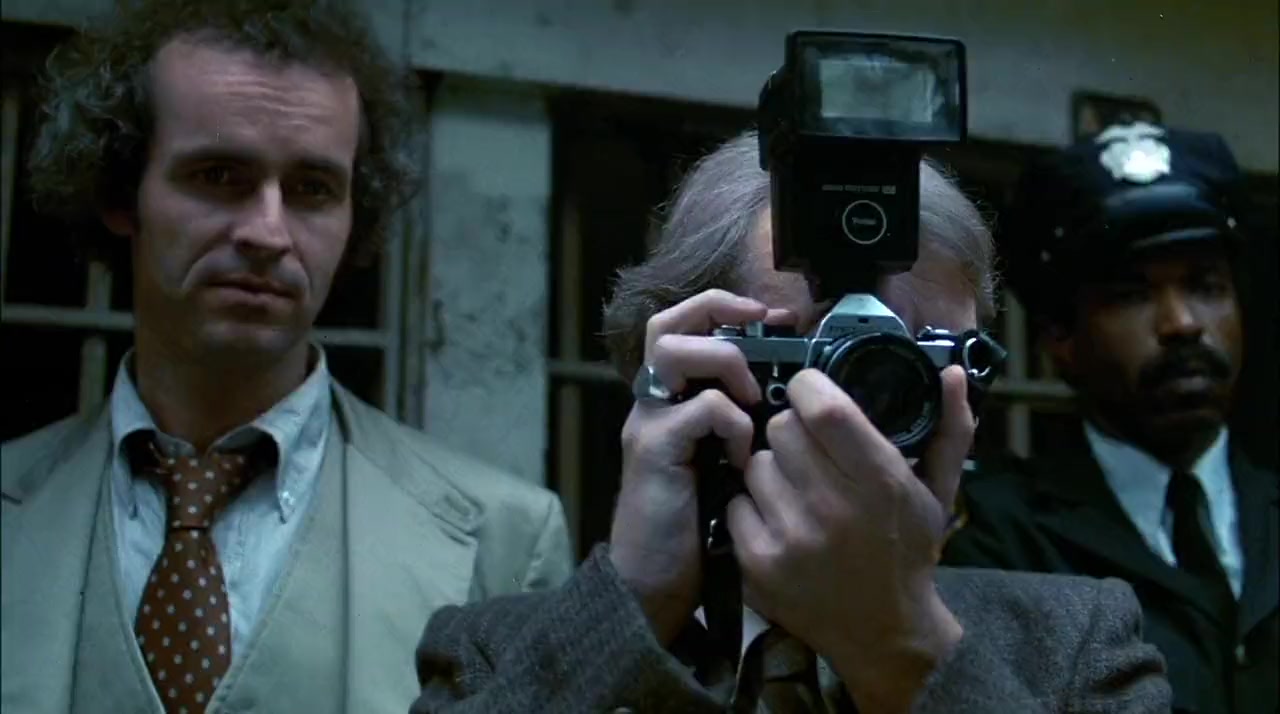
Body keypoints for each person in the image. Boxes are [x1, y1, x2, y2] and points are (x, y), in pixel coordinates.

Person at [409, 131, 1172, 713]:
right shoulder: (492, 655)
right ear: (684, 369)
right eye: (824, 353)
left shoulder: (1074, 646)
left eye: (915, 361)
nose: (865, 410)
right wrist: (631, 604)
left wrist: (907, 651)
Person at [0, 2, 572, 712]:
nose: (268, 233)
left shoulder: (505, 541)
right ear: (123, 194)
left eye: (311, 190)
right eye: (219, 175)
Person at [942, 121, 1278, 714]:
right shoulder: (1000, 537)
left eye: (1206, 286)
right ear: (1060, 338)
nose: (1182, 324)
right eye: (1131, 295)